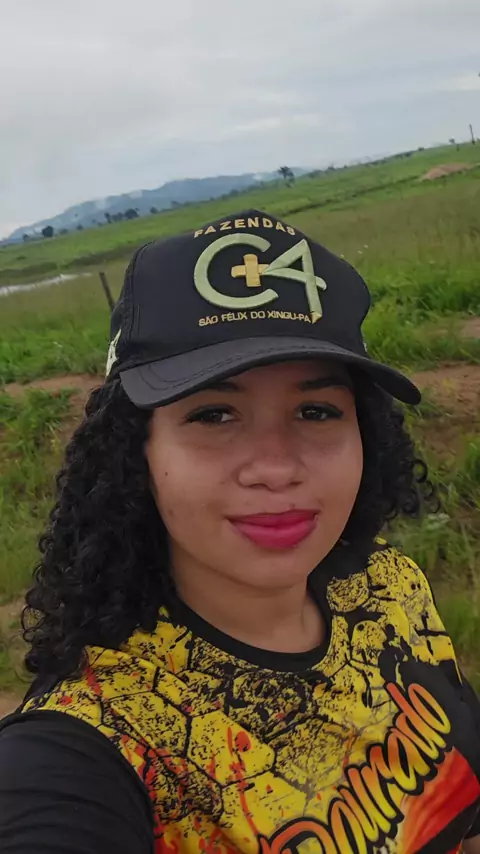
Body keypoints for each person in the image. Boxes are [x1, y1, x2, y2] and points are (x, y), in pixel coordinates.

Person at [0, 209, 479, 854]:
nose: (276, 468)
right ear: (136, 452)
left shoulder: (387, 585)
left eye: (316, 411)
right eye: (214, 415)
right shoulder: (96, 744)